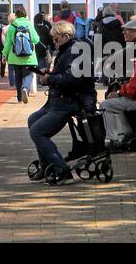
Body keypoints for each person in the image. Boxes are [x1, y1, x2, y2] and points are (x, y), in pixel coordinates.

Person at [27, 21, 98, 185]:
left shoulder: (74, 52)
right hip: (60, 99)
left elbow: (73, 78)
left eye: (56, 38)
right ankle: (46, 164)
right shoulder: (68, 50)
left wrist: (50, 78)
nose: (54, 41)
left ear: (66, 36)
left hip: (70, 101)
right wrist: (50, 73)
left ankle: (61, 168)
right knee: (33, 120)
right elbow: (66, 74)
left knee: (37, 132)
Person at [3, 7, 40, 103]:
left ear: (16, 15)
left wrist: (4, 55)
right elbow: (36, 40)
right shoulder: (29, 25)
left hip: (15, 57)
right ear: (25, 14)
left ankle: (19, 97)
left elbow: (7, 43)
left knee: (18, 76)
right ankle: (26, 89)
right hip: (29, 57)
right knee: (29, 74)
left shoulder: (12, 26)